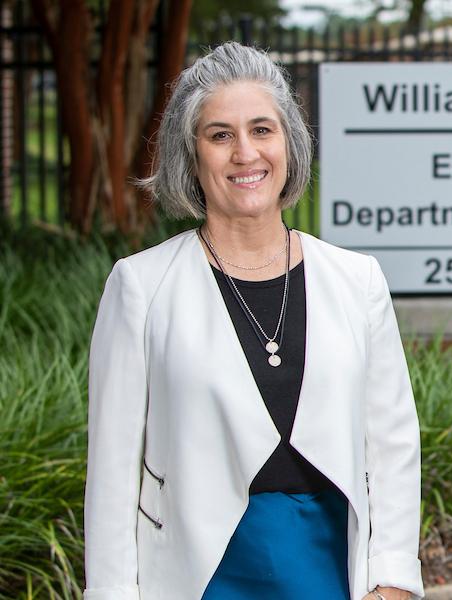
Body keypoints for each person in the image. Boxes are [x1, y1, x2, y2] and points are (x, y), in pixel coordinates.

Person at [84, 42, 422, 600]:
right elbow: (113, 472)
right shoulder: (141, 286)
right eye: (220, 135)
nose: (245, 153)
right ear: (190, 157)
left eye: (262, 130)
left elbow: (391, 445)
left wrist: (392, 582)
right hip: (199, 576)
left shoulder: (356, 280)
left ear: (289, 143)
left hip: (333, 570)